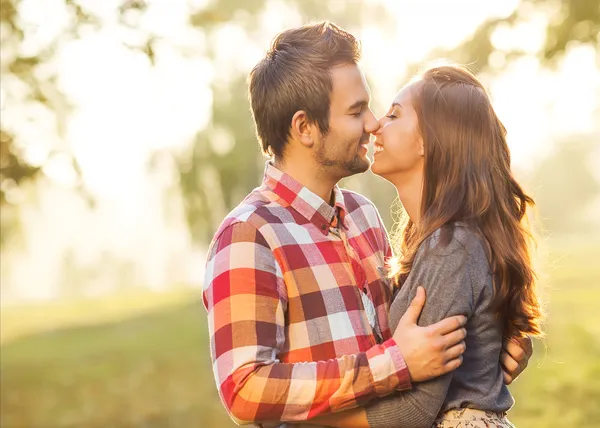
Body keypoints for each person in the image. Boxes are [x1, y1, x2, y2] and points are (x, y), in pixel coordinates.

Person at [202, 21, 532, 427]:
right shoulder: (250, 234)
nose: (373, 123)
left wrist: (490, 343)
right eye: (357, 111)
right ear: (305, 127)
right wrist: (392, 364)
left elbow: (424, 322)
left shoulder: (363, 217)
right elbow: (244, 387)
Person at [309, 65, 543, 428]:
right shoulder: (434, 240)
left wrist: (307, 422)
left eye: (394, 114)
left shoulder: (450, 245)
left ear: (429, 141)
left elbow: (415, 410)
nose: (376, 125)